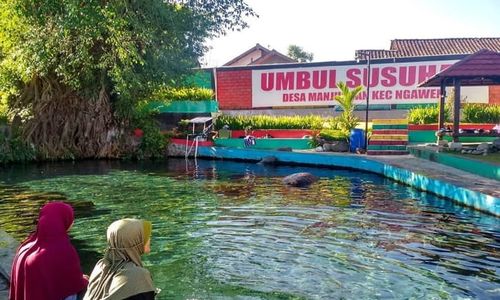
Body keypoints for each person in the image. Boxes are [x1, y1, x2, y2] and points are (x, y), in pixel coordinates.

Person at [9, 201, 89, 300]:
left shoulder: (25, 247)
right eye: (71, 219)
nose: (72, 222)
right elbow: (73, 285)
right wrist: (84, 280)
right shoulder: (63, 250)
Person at [83, 219, 156, 300]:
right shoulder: (139, 276)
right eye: (144, 237)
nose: (150, 238)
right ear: (132, 241)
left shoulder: (101, 266)